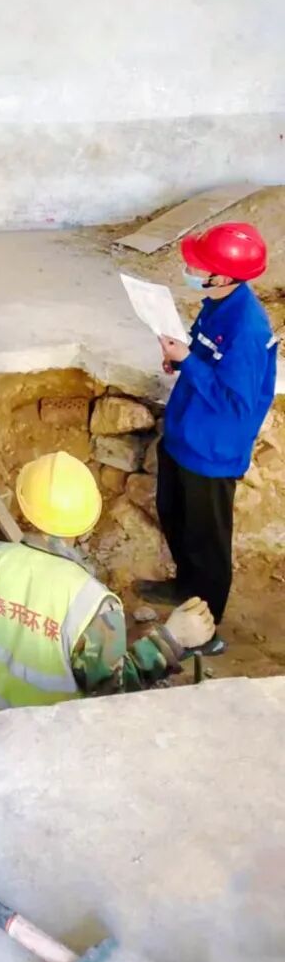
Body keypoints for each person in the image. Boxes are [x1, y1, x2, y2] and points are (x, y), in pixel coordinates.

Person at [0, 451, 215, 714]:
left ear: (23, 505)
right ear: (86, 524)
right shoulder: (91, 601)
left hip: (1, 719)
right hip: (63, 730)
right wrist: (171, 638)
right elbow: (113, 688)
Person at [136, 222, 277, 650]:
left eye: (200, 266)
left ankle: (206, 626)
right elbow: (204, 359)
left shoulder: (248, 330)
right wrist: (180, 359)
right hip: (186, 434)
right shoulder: (217, 303)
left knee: (207, 541)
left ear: (224, 276)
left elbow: (235, 403)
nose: (191, 270)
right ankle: (186, 590)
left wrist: (190, 363)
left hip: (212, 451)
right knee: (175, 515)